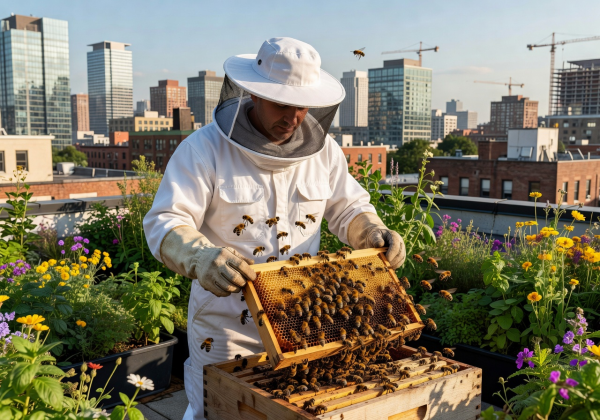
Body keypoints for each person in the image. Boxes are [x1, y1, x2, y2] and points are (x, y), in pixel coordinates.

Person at [143, 37, 406, 420]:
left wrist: (370, 230)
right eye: (282, 104)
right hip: (226, 324)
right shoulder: (204, 149)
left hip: (304, 321)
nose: (293, 117)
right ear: (254, 94)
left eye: (302, 107)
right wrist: (199, 257)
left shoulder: (325, 152)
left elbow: (348, 207)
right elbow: (165, 221)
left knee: (292, 409)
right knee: (215, 410)